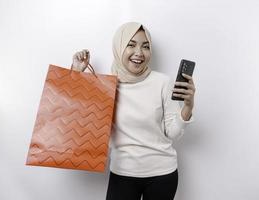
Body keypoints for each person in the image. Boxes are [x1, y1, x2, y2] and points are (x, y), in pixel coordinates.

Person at [71, 22, 196, 200]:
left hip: (162, 174)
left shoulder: (163, 82)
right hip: (122, 173)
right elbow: (80, 119)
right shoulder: (106, 85)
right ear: (119, 46)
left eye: (145, 46)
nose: (139, 53)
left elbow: (173, 133)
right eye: (131, 45)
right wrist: (76, 74)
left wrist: (188, 107)